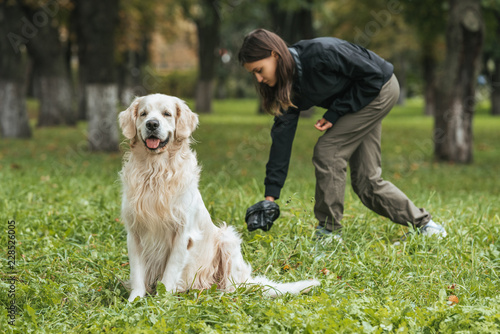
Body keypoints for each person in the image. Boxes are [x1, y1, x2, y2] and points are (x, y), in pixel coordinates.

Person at [238, 28, 447, 240]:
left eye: (259, 70)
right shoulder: (287, 86)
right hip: (360, 98)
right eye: (253, 74)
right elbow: (282, 138)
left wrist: (335, 113)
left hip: (379, 89)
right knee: (367, 181)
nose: (259, 79)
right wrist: (270, 198)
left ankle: (328, 233)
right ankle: (427, 226)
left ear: (275, 55)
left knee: (328, 151)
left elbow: (373, 76)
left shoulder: (321, 53)